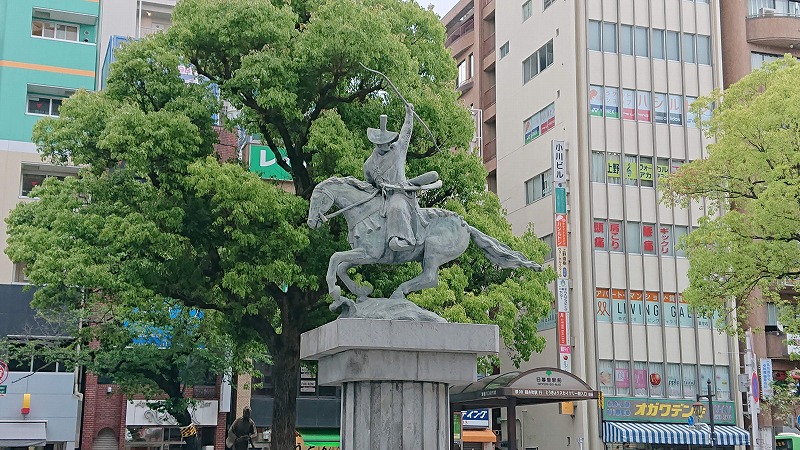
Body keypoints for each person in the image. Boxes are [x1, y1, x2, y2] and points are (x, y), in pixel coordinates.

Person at [364, 103, 439, 252]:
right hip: (382, 197)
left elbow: (406, 133)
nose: (387, 145)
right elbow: (370, 183)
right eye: (383, 143)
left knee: (396, 206)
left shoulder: (398, 150)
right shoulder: (369, 165)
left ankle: (404, 240)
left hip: (400, 193)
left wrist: (409, 114)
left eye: (388, 142)